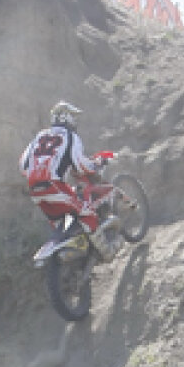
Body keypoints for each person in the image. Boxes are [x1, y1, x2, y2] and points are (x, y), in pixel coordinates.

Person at [20, 102, 117, 258]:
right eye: (74, 118)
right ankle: (108, 253)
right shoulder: (71, 137)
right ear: (67, 118)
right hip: (55, 187)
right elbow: (80, 164)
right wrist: (97, 164)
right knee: (88, 213)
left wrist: (41, 172)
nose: (75, 122)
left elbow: (23, 166)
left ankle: (80, 254)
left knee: (64, 222)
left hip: (35, 191)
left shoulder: (39, 136)